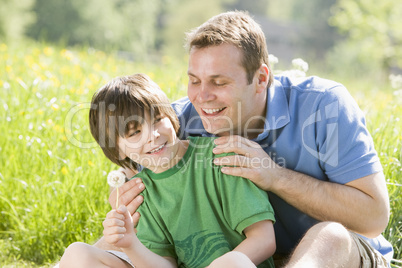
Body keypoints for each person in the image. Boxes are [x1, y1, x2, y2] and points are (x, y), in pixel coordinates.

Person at [107, 11, 394, 267]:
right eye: (194, 80)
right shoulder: (178, 121)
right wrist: (125, 194)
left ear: (260, 78)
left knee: (329, 236)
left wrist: (275, 176)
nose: (201, 96)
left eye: (219, 82)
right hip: (242, 261)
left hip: (336, 258)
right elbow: (136, 170)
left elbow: (374, 218)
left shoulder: (323, 105)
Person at [59, 73, 276, 268]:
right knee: (77, 254)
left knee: (233, 262)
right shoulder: (143, 192)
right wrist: (130, 244)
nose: (152, 135)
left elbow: (264, 240)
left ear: (171, 117)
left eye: (157, 120)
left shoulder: (221, 156)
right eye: (134, 133)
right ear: (117, 150)